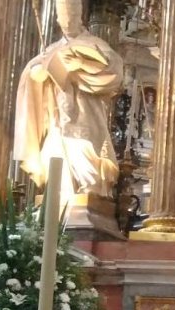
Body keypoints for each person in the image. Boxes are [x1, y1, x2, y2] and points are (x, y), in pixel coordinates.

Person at [14, 0, 124, 202]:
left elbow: (114, 72)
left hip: (84, 120)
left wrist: (80, 64)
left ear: (79, 17)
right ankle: (59, 207)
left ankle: (89, 200)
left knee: (87, 168)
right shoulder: (51, 50)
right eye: (63, 18)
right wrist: (36, 72)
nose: (68, 22)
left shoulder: (95, 45)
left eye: (72, 17)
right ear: (57, 19)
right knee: (54, 165)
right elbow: (32, 77)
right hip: (57, 123)